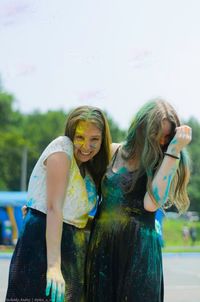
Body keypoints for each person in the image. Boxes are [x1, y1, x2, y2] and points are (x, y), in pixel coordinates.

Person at [85, 99, 192, 302]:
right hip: (103, 249)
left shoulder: (164, 161)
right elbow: (79, 180)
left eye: (167, 136)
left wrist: (174, 150)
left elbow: (151, 203)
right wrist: (40, 203)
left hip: (139, 253)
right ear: (140, 127)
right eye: (156, 134)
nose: (161, 141)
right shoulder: (112, 151)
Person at [6, 105, 112, 302]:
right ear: (71, 134)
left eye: (94, 139)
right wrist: (53, 266)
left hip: (74, 251)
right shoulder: (62, 148)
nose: (86, 146)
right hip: (44, 249)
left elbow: (75, 218)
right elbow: (55, 209)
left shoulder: (89, 171)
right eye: (80, 137)